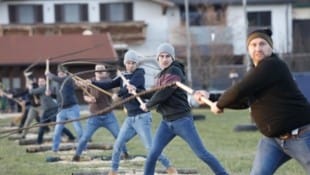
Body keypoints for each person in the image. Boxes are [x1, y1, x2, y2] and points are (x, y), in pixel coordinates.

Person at [194, 29, 310, 174]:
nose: (258, 48)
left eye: (262, 44)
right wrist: (210, 97)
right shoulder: (256, 72)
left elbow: (240, 89)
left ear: (271, 47)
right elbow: (244, 100)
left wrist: (219, 104)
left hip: (300, 136)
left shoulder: (273, 65)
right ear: (248, 49)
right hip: (272, 141)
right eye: (253, 45)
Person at [140, 43, 228, 175]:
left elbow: (165, 92)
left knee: (202, 154)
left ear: (172, 58)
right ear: (157, 59)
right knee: (152, 155)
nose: (164, 59)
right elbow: (155, 92)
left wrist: (148, 105)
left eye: (167, 56)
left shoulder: (175, 71)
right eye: (162, 56)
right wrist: (138, 92)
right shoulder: (160, 76)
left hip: (182, 121)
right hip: (166, 123)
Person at [90, 50, 177, 175]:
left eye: (133, 63)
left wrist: (119, 94)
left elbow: (133, 85)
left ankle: (169, 167)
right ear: (125, 63)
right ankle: (113, 171)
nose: (130, 65)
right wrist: (92, 83)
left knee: (150, 148)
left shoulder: (139, 74)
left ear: (136, 64)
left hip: (142, 118)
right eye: (128, 63)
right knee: (117, 145)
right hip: (130, 119)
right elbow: (108, 84)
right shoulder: (122, 77)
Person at [72, 64, 129, 161]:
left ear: (105, 71)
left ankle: (125, 154)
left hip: (108, 115)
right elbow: (85, 96)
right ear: (95, 71)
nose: (100, 71)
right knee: (85, 138)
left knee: (118, 136)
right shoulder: (89, 81)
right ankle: (77, 155)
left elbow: (110, 87)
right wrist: (90, 99)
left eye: (102, 70)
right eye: (98, 70)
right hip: (94, 116)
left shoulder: (109, 81)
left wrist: (115, 96)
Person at [45, 65, 83, 152]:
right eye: (59, 73)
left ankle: (83, 148)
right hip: (61, 110)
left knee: (78, 129)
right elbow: (57, 96)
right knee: (57, 131)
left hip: (72, 108)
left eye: (62, 73)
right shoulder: (57, 83)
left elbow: (60, 79)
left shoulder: (68, 79)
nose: (60, 75)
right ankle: (55, 149)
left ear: (65, 73)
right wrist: (50, 94)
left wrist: (49, 75)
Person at [29, 76, 75, 144]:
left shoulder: (44, 88)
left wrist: (30, 87)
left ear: (45, 82)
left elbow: (32, 92)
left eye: (42, 81)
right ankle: (39, 142)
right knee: (42, 126)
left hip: (52, 110)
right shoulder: (43, 88)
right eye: (39, 82)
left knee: (58, 125)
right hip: (46, 111)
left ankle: (71, 137)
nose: (40, 83)